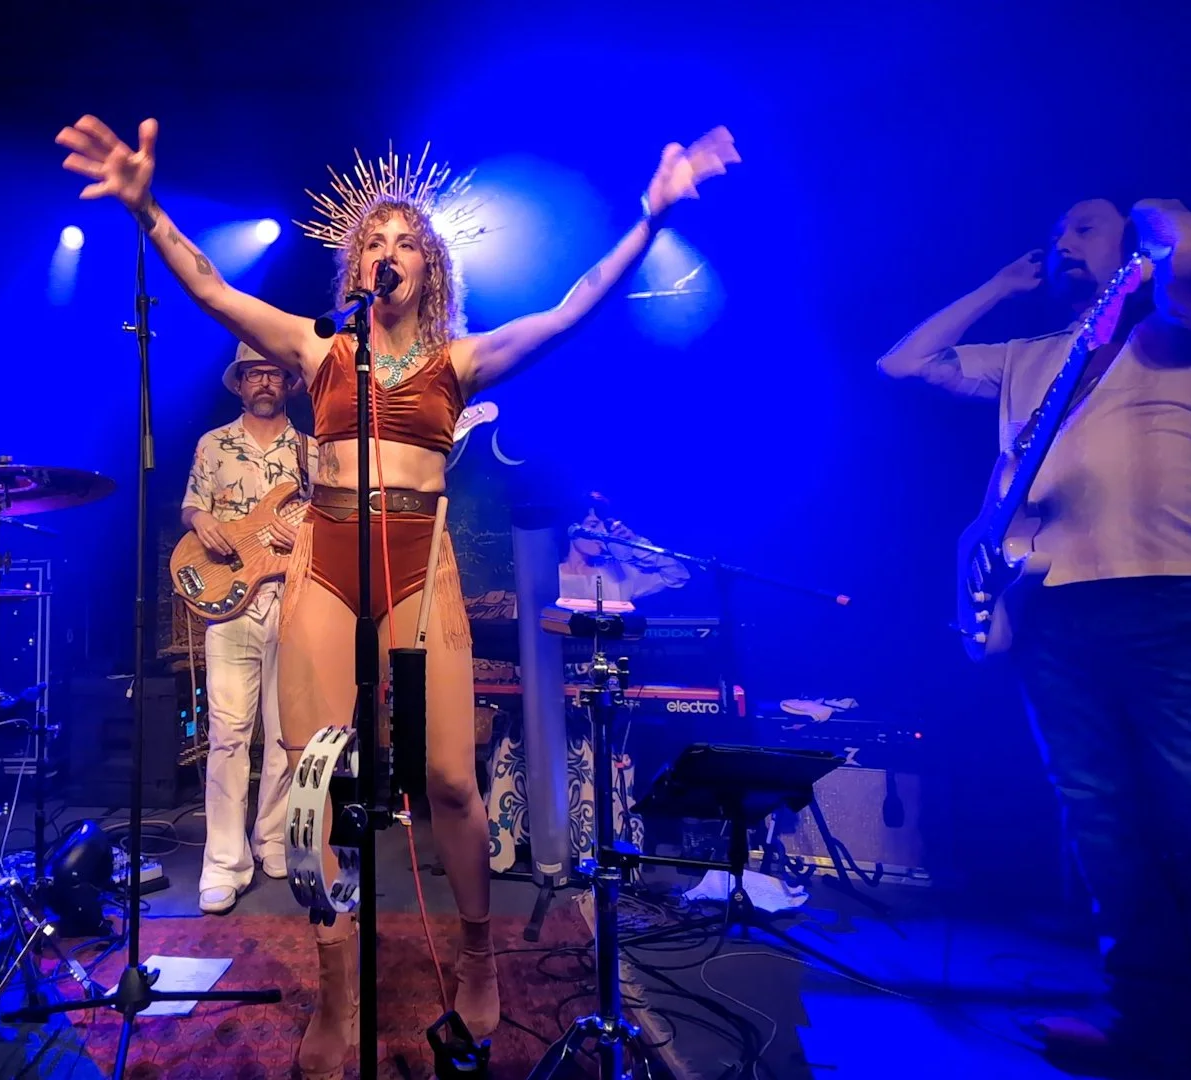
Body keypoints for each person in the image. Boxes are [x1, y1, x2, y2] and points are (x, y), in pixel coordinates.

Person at [59, 114, 738, 1076]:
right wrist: (145, 208)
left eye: (406, 243)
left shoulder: (460, 364)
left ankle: (476, 951)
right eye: (373, 242)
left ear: (432, 270)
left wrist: (649, 217)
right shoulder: (317, 348)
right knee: (314, 783)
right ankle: (337, 986)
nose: (389, 253)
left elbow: (575, 305)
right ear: (354, 267)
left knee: (450, 779)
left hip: (422, 566)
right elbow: (210, 289)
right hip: (324, 564)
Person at [877, 199, 1191, 1078]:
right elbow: (903, 362)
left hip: (1171, 598)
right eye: (1057, 231)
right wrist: (999, 285)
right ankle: (1153, 1031)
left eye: (1085, 227)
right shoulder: (1030, 360)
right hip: (1052, 611)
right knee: (1104, 831)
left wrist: (1151, 216)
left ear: (1135, 248)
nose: (1064, 242)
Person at [181, 342, 310, 915]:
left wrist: (302, 538)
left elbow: (332, 524)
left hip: (293, 601)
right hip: (228, 602)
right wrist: (201, 517)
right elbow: (191, 505)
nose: (264, 382)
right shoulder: (213, 443)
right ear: (240, 383)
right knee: (229, 735)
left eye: (273, 374)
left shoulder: (311, 451)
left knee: (287, 735)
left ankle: (275, 840)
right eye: (254, 374)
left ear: (287, 384)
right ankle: (224, 863)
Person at [557, 491, 690, 607]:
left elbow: (677, 576)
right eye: (593, 525)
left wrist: (635, 542)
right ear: (572, 529)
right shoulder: (551, 576)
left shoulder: (620, 572)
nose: (602, 533)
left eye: (605, 527)